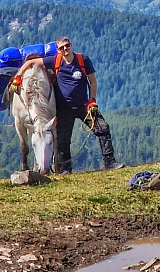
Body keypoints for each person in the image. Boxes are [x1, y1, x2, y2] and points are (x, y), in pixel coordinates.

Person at [45, 37, 124, 172]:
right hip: (64, 108)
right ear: (58, 50)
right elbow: (32, 62)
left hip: (84, 105)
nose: (65, 49)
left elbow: (93, 81)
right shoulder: (55, 61)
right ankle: (65, 169)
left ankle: (110, 162)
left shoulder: (83, 60)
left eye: (67, 45)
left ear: (71, 45)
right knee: (63, 139)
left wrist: (92, 99)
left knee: (103, 128)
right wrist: (18, 77)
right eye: (61, 47)